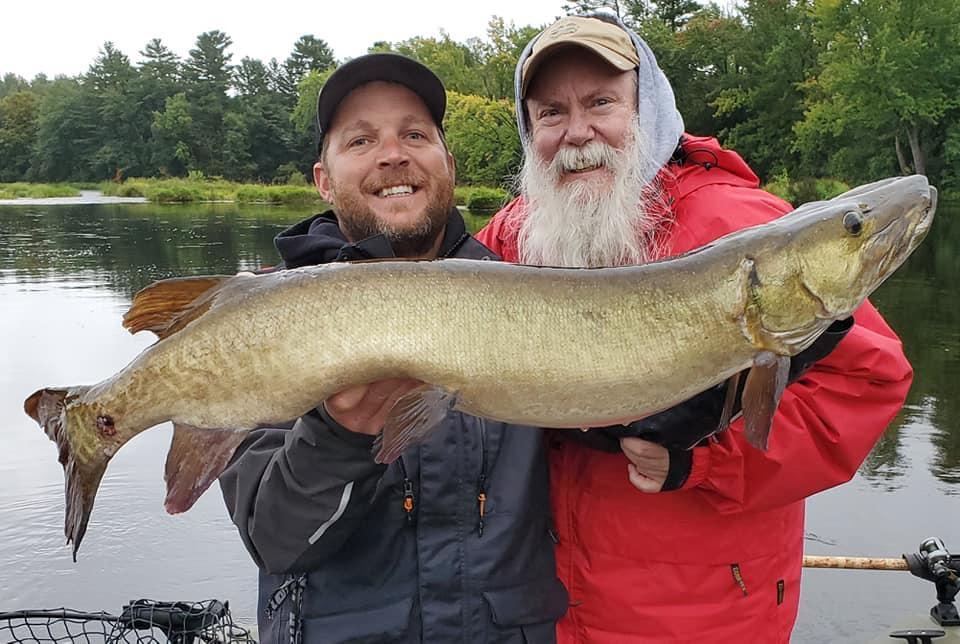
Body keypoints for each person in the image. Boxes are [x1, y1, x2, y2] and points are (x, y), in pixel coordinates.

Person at [475, 14, 913, 643]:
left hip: (700, 614)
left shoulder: (743, 222)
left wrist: (704, 458)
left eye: (601, 102)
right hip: (542, 605)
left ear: (648, 107)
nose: (577, 133)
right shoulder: (514, 232)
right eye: (550, 112)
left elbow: (866, 383)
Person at [219, 53, 567, 644]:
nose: (393, 153)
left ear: (448, 164)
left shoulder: (530, 297)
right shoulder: (263, 321)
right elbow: (276, 540)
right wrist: (337, 434)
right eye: (360, 140)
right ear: (323, 180)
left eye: (414, 134)